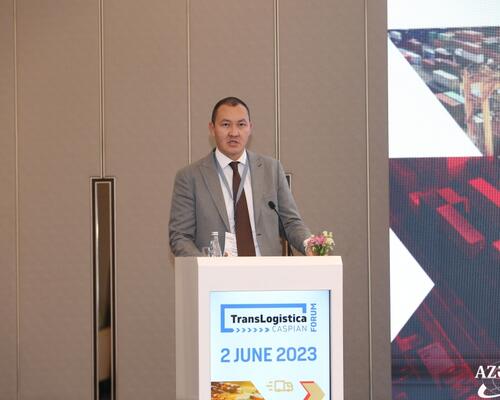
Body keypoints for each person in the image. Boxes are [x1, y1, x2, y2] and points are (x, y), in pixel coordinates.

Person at [169, 96, 311, 257]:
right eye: (225, 125)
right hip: (218, 271)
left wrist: (310, 245)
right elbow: (180, 238)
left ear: (250, 128)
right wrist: (207, 266)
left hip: (266, 268)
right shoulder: (190, 177)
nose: (234, 133)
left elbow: (290, 222)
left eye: (241, 125)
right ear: (212, 128)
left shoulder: (271, 169)